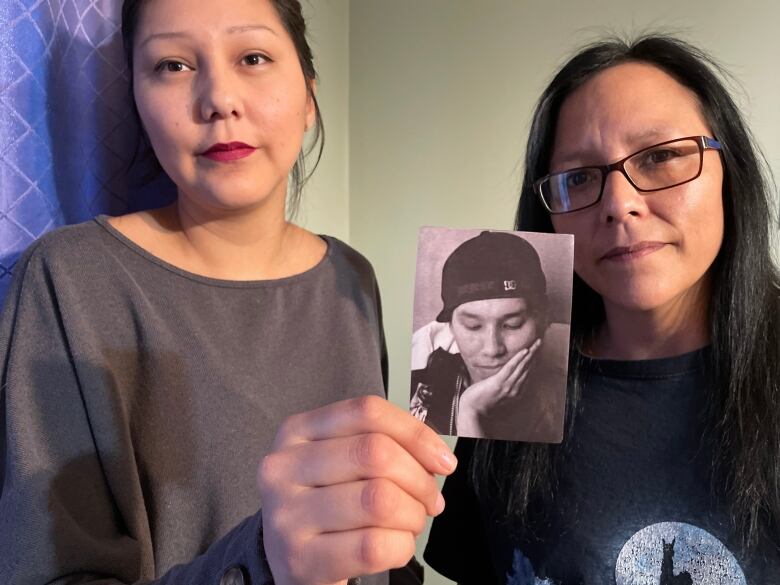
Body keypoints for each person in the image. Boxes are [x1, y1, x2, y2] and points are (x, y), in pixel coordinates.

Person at [0, 1, 451, 584]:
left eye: (253, 57)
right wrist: (263, 559)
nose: (219, 99)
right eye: (172, 66)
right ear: (134, 100)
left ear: (309, 96)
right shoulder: (66, 280)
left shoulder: (351, 277)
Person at [424, 35, 780, 583]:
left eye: (661, 156)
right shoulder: (517, 385)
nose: (620, 204)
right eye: (580, 177)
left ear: (729, 168)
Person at [410, 231, 565, 442]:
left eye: (512, 325)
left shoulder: (565, 404)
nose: (492, 349)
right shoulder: (420, 383)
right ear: (451, 327)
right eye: (473, 326)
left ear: (543, 321)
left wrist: (470, 411)